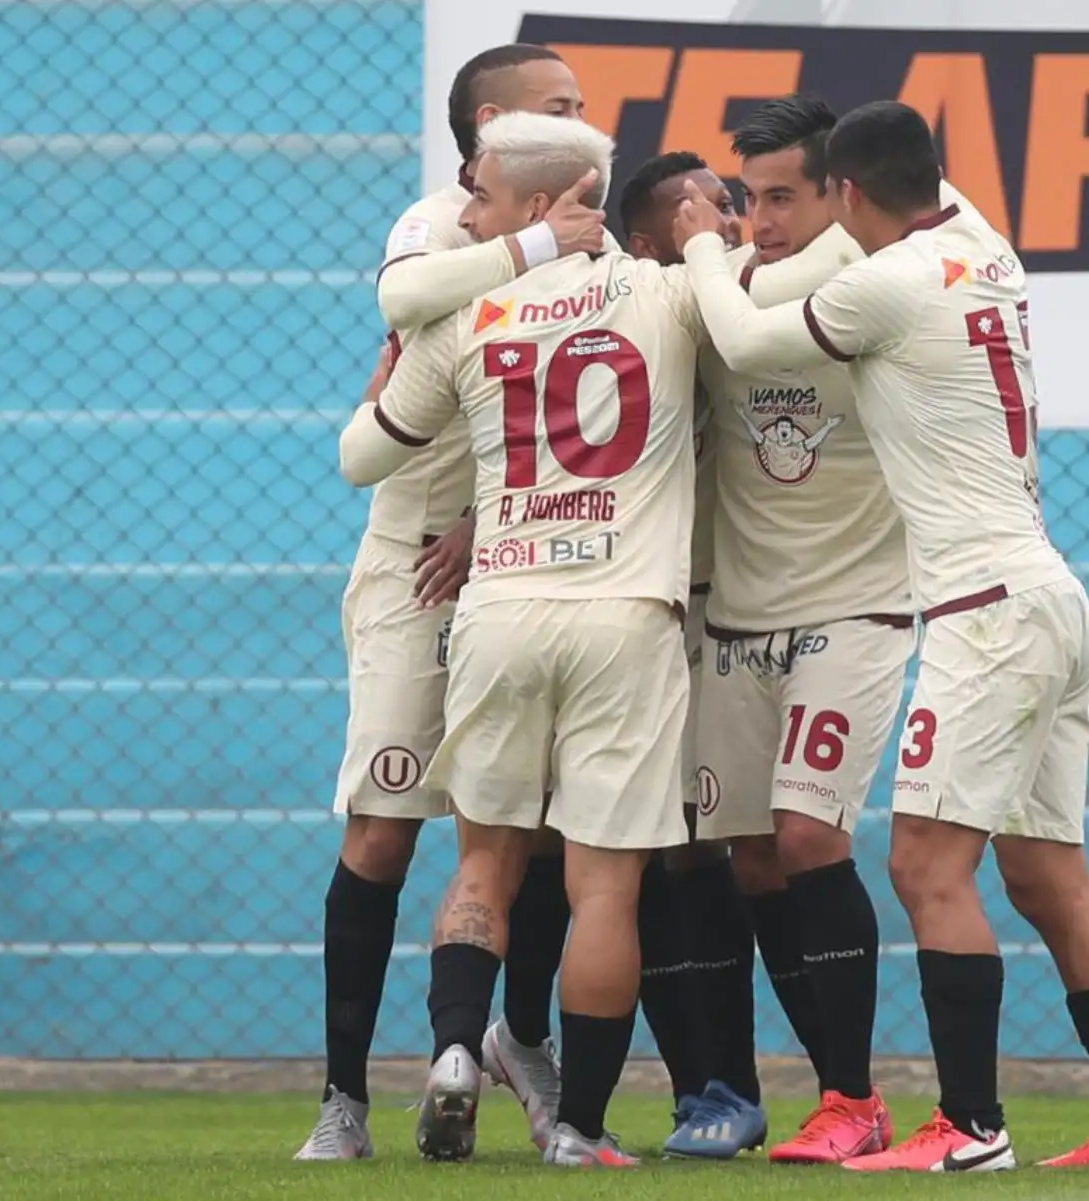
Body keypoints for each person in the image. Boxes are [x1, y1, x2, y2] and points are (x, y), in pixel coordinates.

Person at [674, 100, 1089, 1172]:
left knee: (926, 865)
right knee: (1052, 879)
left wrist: (698, 250)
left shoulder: (888, 281)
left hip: (983, 611)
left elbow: (750, 334)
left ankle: (971, 1127)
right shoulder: (980, 243)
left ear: (848, 195)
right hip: (1049, 593)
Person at [341, 111, 713, 1169]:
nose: (467, 214)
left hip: (499, 608)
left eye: (484, 196)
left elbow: (364, 456)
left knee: (486, 863)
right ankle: (582, 1131)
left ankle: (457, 1050)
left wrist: (379, 396)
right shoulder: (670, 294)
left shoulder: (471, 309)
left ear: (544, 206)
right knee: (605, 886)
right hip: (627, 616)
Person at [294, 42, 606, 1162]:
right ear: (489, 127)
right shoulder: (446, 225)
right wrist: (536, 242)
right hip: (415, 565)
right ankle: (342, 1098)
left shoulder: (598, 248)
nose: (585, 117)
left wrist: (504, 511)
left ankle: (517, 1036)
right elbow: (405, 298)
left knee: (528, 822)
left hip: (533, 568)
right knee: (382, 830)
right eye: (559, 104)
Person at [668, 96, 926, 1166]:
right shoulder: (725, 279)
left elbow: (736, 309)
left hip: (854, 605)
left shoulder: (843, 280)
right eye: (750, 198)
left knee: (813, 833)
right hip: (737, 612)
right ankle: (833, 1095)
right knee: (754, 859)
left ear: (839, 195)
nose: (764, 217)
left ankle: (851, 1093)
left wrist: (694, 248)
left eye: (787, 195)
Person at [615, 150, 770, 1159]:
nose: (741, 217)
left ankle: (749, 1086)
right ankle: (700, 1091)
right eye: (721, 203)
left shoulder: (739, 295)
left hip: (731, 604)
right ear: (667, 228)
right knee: (651, 848)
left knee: (726, 843)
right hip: (630, 605)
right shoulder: (637, 303)